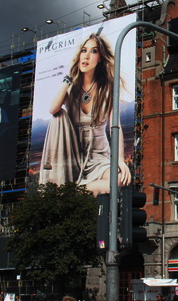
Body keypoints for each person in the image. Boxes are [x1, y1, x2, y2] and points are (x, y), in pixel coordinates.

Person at [39, 32, 131, 195]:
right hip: (72, 155)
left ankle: (71, 193)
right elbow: (53, 109)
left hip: (99, 158)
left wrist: (120, 160)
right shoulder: (72, 88)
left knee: (117, 182)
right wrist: (69, 79)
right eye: (84, 50)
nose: (87, 56)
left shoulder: (107, 89)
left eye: (94, 51)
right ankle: (63, 188)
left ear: (101, 58)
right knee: (57, 116)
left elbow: (115, 126)